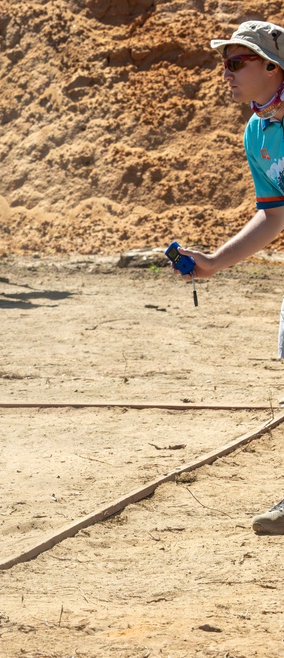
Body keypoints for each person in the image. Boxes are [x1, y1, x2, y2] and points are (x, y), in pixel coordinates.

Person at [177, 21, 284, 534]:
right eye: (225, 63)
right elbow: (275, 214)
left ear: (274, 66)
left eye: (238, 62)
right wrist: (215, 262)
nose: (226, 73)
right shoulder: (257, 131)